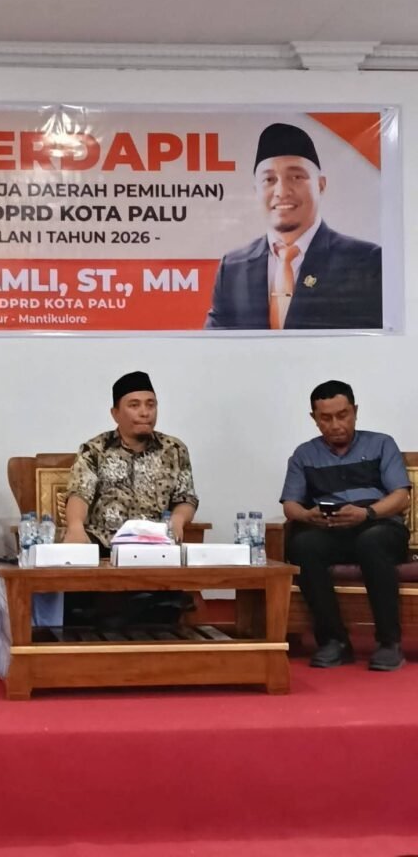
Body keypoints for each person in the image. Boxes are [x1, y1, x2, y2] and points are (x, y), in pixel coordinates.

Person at [282, 380, 410, 671]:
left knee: (371, 541)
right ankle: (334, 641)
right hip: (332, 530)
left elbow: (400, 496)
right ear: (314, 418)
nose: (336, 425)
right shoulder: (304, 455)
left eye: (343, 415)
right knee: (303, 544)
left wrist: (367, 513)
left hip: (379, 527)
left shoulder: (381, 444)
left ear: (355, 411)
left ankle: (389, 643)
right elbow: (290, 505)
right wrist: (308, 515)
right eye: (326, 418)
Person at [205, 122, 382, 330]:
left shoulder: (365, 262)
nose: (282, 191)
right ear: (256, 191)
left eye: (296, 177)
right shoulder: (234, 267)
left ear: (320, 185)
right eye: (269, 179)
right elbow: (215, 342)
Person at [63, 371, 199, 626]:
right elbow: (79, 493)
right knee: (79, 575)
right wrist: (75, 526)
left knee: (164, 599)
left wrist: (178, 520)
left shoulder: (174, 449)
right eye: (134, 405)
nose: (145, 412)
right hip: (105, 543)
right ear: (115, 413)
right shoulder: (95, 449)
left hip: (154, 544)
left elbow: (186, 497)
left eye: (151, 404)